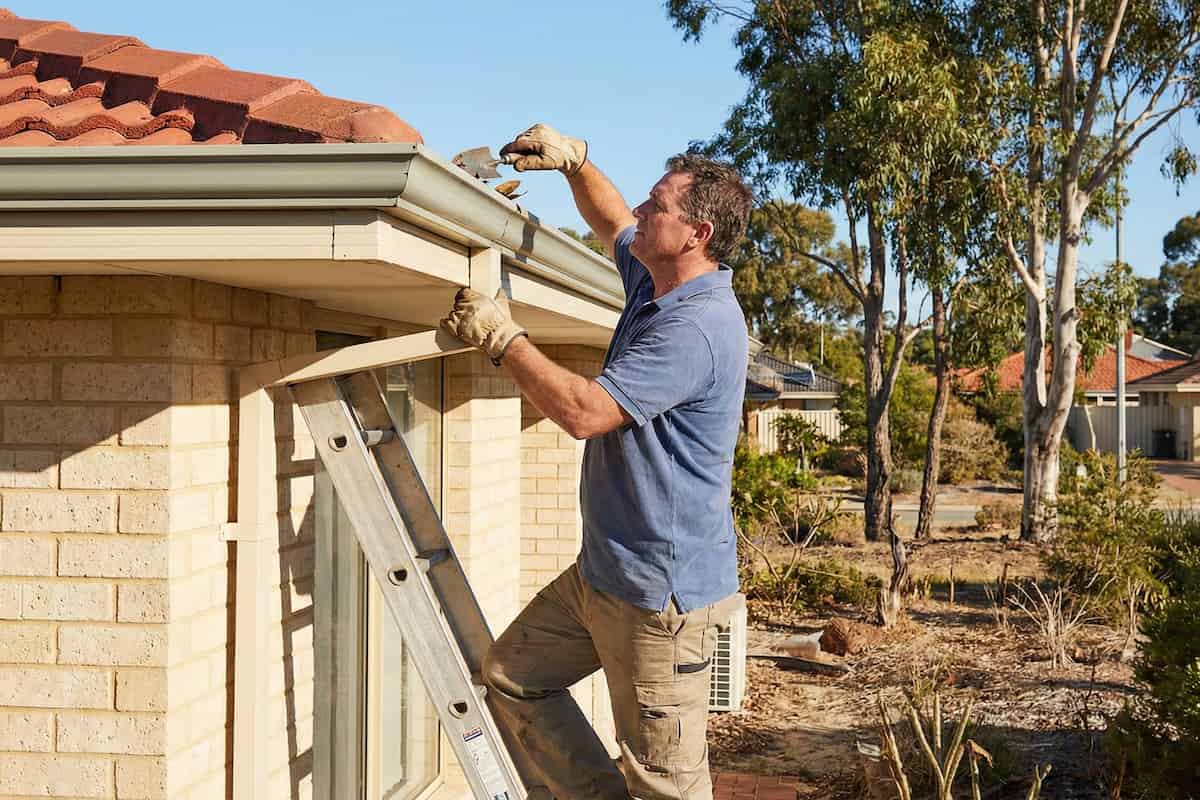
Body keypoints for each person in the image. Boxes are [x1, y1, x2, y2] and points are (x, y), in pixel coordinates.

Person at [439, 122, 752, 800]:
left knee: (665, 783)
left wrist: (503, 338)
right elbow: (613, 219)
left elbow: (584, 413)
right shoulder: (656, 279)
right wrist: (576, 163)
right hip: (605, 574)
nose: (642, 211)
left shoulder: (695, 326)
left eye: (658, 205)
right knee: (513, 677)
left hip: (660, 599)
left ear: (695, 234)